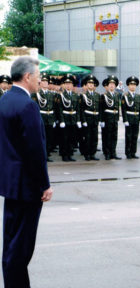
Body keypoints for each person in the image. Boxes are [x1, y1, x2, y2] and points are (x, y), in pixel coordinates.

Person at [0, 56, 53, 287]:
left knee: (11, 244)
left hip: (10, 184)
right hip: (27, 186)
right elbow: (35, 150)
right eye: (38, 77)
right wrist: (44, 184)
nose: (40, 81)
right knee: (21, 250)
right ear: (28, 76)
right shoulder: (28, 104)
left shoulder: (4, 100)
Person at [31, 73, 57, 162]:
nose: (45, 83)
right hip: (41, 117)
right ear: (40, 83)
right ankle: (40, 155)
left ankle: (46, 155)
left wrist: (54, 119)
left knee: (49, 138)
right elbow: (34, 107)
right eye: (43, 81)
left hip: (50, 118)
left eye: (46, 81)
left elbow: (54, 107)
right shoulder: (36, 94)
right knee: (40, 137)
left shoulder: (51, 94)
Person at [58, 74, 81, 162]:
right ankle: (64, 155)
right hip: (65, 118)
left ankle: (70, 154)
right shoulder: (61, 95)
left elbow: (78, 109)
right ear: (64, 85)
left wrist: (78, 120)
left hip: (73, 118)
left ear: (72, 85)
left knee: (72, 138)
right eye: (66, 83)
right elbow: (59, 109)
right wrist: (61, 121)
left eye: (70, 84)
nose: (68, 85)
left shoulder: (75, 95)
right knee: (64, 138)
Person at [99, 75, 121, 160]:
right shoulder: (104, 96)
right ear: (107, 86)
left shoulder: (116, 95)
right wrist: (102, 120)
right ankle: (107, 153)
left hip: (114, 118)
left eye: (113, 84)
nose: (112, 85)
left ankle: (113, 152)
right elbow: (101, 109)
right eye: (110, 84)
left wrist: (118, 118)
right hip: (107, 118)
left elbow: (116, 108)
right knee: (107, 136)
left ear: (115, 86)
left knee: (114, 136)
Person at [80, 74, 101, 161]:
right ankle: (87, 154)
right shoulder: (83, 95)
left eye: (93, 83)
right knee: (87, 137)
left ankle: (93, 153)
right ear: (86, 85)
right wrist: (83, 120)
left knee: (94, 137)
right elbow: (81, 109)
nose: (91, 85)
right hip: (87, 118)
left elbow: (99, 108)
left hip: (95, 118)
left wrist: (100, 119)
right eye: (89, 83)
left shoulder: (97, 95)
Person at [121, 76, 140, 159]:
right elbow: (123, 109)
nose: (133, 86)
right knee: (128, 136)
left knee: (135, 136)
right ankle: (128, 153)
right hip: (129, 118)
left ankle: (133, 152)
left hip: (136, 118)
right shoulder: (125, 96)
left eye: (134, 85)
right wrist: (125, 120)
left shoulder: (138, 96)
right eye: (131, 84)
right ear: (128, 86)